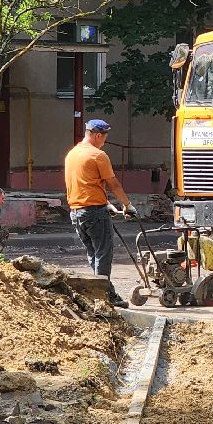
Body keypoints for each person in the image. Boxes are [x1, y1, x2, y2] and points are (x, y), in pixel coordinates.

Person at [64, 119, 135, 306]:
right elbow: (113, 184)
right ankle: (104, 298)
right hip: (94, 212)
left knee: (93, 253)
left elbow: (86, 184)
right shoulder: (98, 155)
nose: (104, 141)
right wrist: (127, 205)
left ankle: (103, 293)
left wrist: (106, 203)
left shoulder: (72, 154)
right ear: (97, 135)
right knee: (103, 254)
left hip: (77, 212)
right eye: (104, 137)